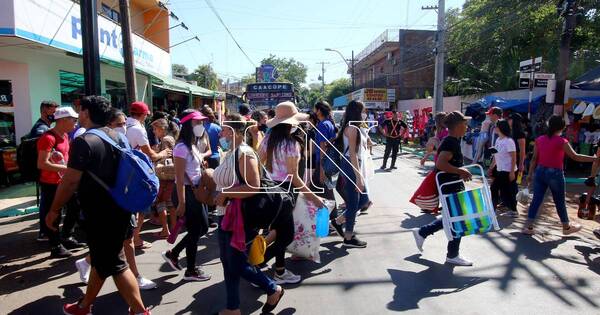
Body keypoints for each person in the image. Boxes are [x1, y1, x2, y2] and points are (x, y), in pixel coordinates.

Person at [45, 96, 150, 315]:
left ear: (86, 112)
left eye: (80, 110)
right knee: (103, 259)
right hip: (121, 207)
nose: (78, 115)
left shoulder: (84, 142)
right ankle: (84, 306)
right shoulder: (117, 136)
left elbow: (71, 181)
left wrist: (54, 210)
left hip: (99, 213)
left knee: (116, 263)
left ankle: (140, 311)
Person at [213, 113, 285, 315]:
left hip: (240, 217)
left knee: (236, 264)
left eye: (224, 129)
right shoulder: (232, 151)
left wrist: (226, 193)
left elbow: (253, 186)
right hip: (226, 215)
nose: (221, 133)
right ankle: (233, 307)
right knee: (228, 263)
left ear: (234, 131)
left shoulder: (244, 153)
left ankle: (273, 288)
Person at [258, 101, 324, 284]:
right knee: (285, 235)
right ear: (292, 123)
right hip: (286, 193)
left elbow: (257, 163)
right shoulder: (291, 144)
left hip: (269, 190)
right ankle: (257, 266)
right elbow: (293, 177)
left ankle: (278, 271)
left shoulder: (268, 140)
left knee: (280, 232)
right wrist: (315, 198)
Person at [412, 111, 475, 266]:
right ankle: (452, 255)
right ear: (458, 126)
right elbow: (440, 164)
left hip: (451, 184)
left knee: (452, 217)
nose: (467, 127)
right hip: (449, 186)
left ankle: (423, 232)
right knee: (456, 219)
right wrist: (461, 171)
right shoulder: (451, 142)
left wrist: (459, 171)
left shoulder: (452, 140)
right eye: (465, 124)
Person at [161, 109, 212, 282]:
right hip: (187, 193)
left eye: (201, 122)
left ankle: (174, 253)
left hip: (196, 192)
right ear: (188, 125)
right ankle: (190, 270)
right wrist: (181, 203)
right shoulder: (181, 147)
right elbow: (180, 178)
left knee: (203, 228)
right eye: (197, 122)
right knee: (196, 229)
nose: (201, 125)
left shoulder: (193, 144)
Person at [523, 115, 596, 235]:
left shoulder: (540, 139)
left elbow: (534, 159)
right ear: (562, 127)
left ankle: (528, 227)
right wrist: (594, 159)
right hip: (555, 173)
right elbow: (575, 156)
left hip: (540, 171)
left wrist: (530, 174)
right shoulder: (562, 141)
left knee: (536, 199)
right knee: (559, 201)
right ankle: (566, 227)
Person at [37, 107, 82, 258]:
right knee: (53, 214)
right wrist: (68, 168)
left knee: (75, 207)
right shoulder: (48, 138)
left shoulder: (65, 135)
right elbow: (42, 164)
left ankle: (67, 236)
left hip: (65, 181)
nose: (76, 123)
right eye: (73, 120)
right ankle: (55, 245)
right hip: (51, 183)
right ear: (63, 120)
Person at [125, 101, 171, 250]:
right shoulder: (138, 129)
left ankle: (129, 238)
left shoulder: (122, 125)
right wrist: (161, 154)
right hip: (137, 173)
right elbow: (150, 154)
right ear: (144, 115)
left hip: (124, 172)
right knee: (142, 207)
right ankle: (135, 238)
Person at [336, 100, 371, 248]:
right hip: (351, 166)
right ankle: (348, 237)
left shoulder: (355, 127)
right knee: (355, 202)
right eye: (364, 111)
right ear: (357, 112)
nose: (365, 114)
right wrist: (358, 177)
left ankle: (338, 222)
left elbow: (364, 139)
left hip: (353, 166)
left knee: (363, 201)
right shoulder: (352, 129)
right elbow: (352, 154)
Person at [311, 101, 344, 237]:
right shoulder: (329, 124)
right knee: (324, 193)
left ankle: (332, 223)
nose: (314, 111)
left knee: (324, 193)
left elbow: (323, 147)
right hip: (328, 163)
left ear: (319, 111)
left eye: (315, 108)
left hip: (323, 164)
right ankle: (331, 222)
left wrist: (321, 169)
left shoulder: (323, 125)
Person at [151, 118, 179, 238]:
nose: (153, 131)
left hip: (164, 176)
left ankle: (165, 230)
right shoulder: (171, 138)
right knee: (170, 203)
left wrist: (156, 154)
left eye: (155, 129)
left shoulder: (165, 140)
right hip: (172, 176)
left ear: (162, 129)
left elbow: (165, 157)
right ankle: (173, 227)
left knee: (160, 202)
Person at [488, 119, 519, 217]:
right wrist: (491, 167)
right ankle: (504, 208)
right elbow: (496, 155)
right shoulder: (498, 140)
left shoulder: (509, 141)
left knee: (499, 188)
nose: (495, 128)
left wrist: (512, 172)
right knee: (503, 190)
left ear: (500, 128)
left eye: (496, 126)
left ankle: (512, 210)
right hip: (500, 169)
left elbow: (514, 157)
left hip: (507, 170)